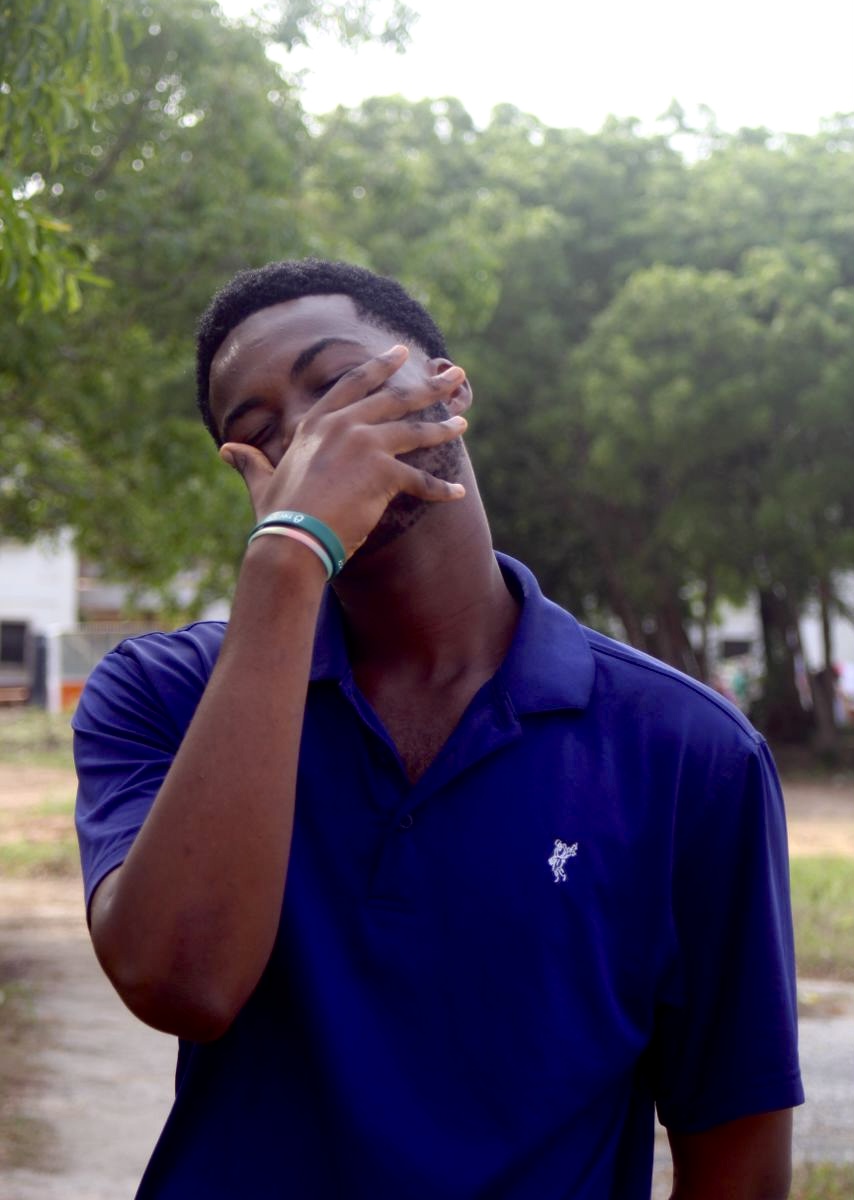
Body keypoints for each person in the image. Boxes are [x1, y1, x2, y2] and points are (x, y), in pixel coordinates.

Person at [73, 259, 803, 1200]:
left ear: (448, 388)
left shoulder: (688, 750)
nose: (315, 432)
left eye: (340, 381)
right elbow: (185, 984)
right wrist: (290, 559)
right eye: (263, 434)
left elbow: (737, 1154)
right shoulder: (160, 694)